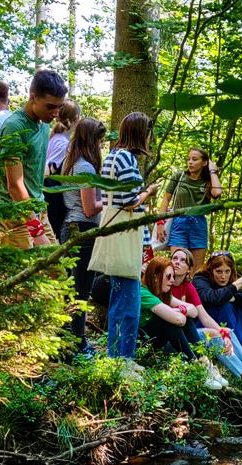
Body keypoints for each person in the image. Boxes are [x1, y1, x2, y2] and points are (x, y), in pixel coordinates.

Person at [96, 112, 159, 375]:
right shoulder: (126, 158)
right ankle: (123, 361)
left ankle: (117, 358)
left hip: (117, 232)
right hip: (127, 234)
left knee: (120, 298)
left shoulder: (113, 155)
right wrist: (150, 191)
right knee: (129, 302)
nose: (149, 137)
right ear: (139, 133)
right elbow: (130, 202)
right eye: (147, 132)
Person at [169, 248, 242, 393]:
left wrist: (223, 332)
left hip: (190, 332)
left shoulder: (188, 287)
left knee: (225, 331)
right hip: (173, 338)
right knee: (219, 323)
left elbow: (203, 315)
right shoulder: (166, 284)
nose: (177, 262)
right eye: (175, 259)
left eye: (183, 260)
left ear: (189, 269)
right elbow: (206, 303)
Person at [0, 70, 68, 248]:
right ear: (33, 97)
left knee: (56, 271)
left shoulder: (43, 126)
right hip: (15, 215)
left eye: (59, 107)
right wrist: (36, 230)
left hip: (39, 210)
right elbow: (14, 186)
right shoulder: (15, 127)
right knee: (23, 273)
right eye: (50, 106)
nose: (56, 113)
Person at [139, 256, 225, 390]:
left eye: (173, 276)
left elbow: (194, 311)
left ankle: (204, 362)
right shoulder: (143, 292)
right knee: (167, 321)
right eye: (168, 276)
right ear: (156, 276)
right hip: (141, 345)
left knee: (181, 318)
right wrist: (179, 313)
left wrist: (179, 310)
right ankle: (195, 365)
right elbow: (178, 320)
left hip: (159, 343)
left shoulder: (163, 293)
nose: (172, 281)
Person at [60, 117, 105, 354]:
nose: (101, 145)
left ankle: (72, 340)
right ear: (92, 140)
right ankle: (77, 344)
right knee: (80, 291)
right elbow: (89, 208)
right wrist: (108, 198)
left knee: (74, 289)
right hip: (82, 228)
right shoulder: (85, 167)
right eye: (99, 140)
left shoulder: (75, 163)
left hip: (74, 228)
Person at [157, 147, 223, 267]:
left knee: (196, 270)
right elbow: (166, 199)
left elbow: (217, 193)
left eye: (194, 159)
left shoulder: (208, 181)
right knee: (177, 265)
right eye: (189, 159)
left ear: (204, 162)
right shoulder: (179, 176)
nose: (190, 162)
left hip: (199, 224)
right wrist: (160, 223)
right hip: (179, 223)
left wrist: (213, 172)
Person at [193, 252, 242, 352]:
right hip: (203, 324)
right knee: (225, 305)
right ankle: (236, 350)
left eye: (227, 271)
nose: (223, 276)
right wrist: (235, 286)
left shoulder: (229, 281)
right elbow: (211, 298)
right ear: (211, 270)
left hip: (223, 322)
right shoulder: (200, 279)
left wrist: (233, 298)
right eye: (219, 272)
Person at [43, 99, 81, 242]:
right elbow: (47, 170)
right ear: (76, 119)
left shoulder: (56, 138)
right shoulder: (62, 143)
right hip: (51, 198)